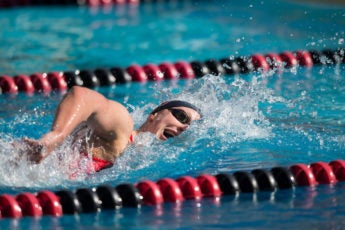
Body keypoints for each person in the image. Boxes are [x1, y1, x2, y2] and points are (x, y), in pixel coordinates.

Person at [23, 86, 201, 173]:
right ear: (154, 115)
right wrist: (56, 136)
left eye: (189, 125)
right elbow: (81, 94)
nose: (184, 127)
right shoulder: (123, 128)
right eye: (182, 117)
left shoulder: (138, 159)